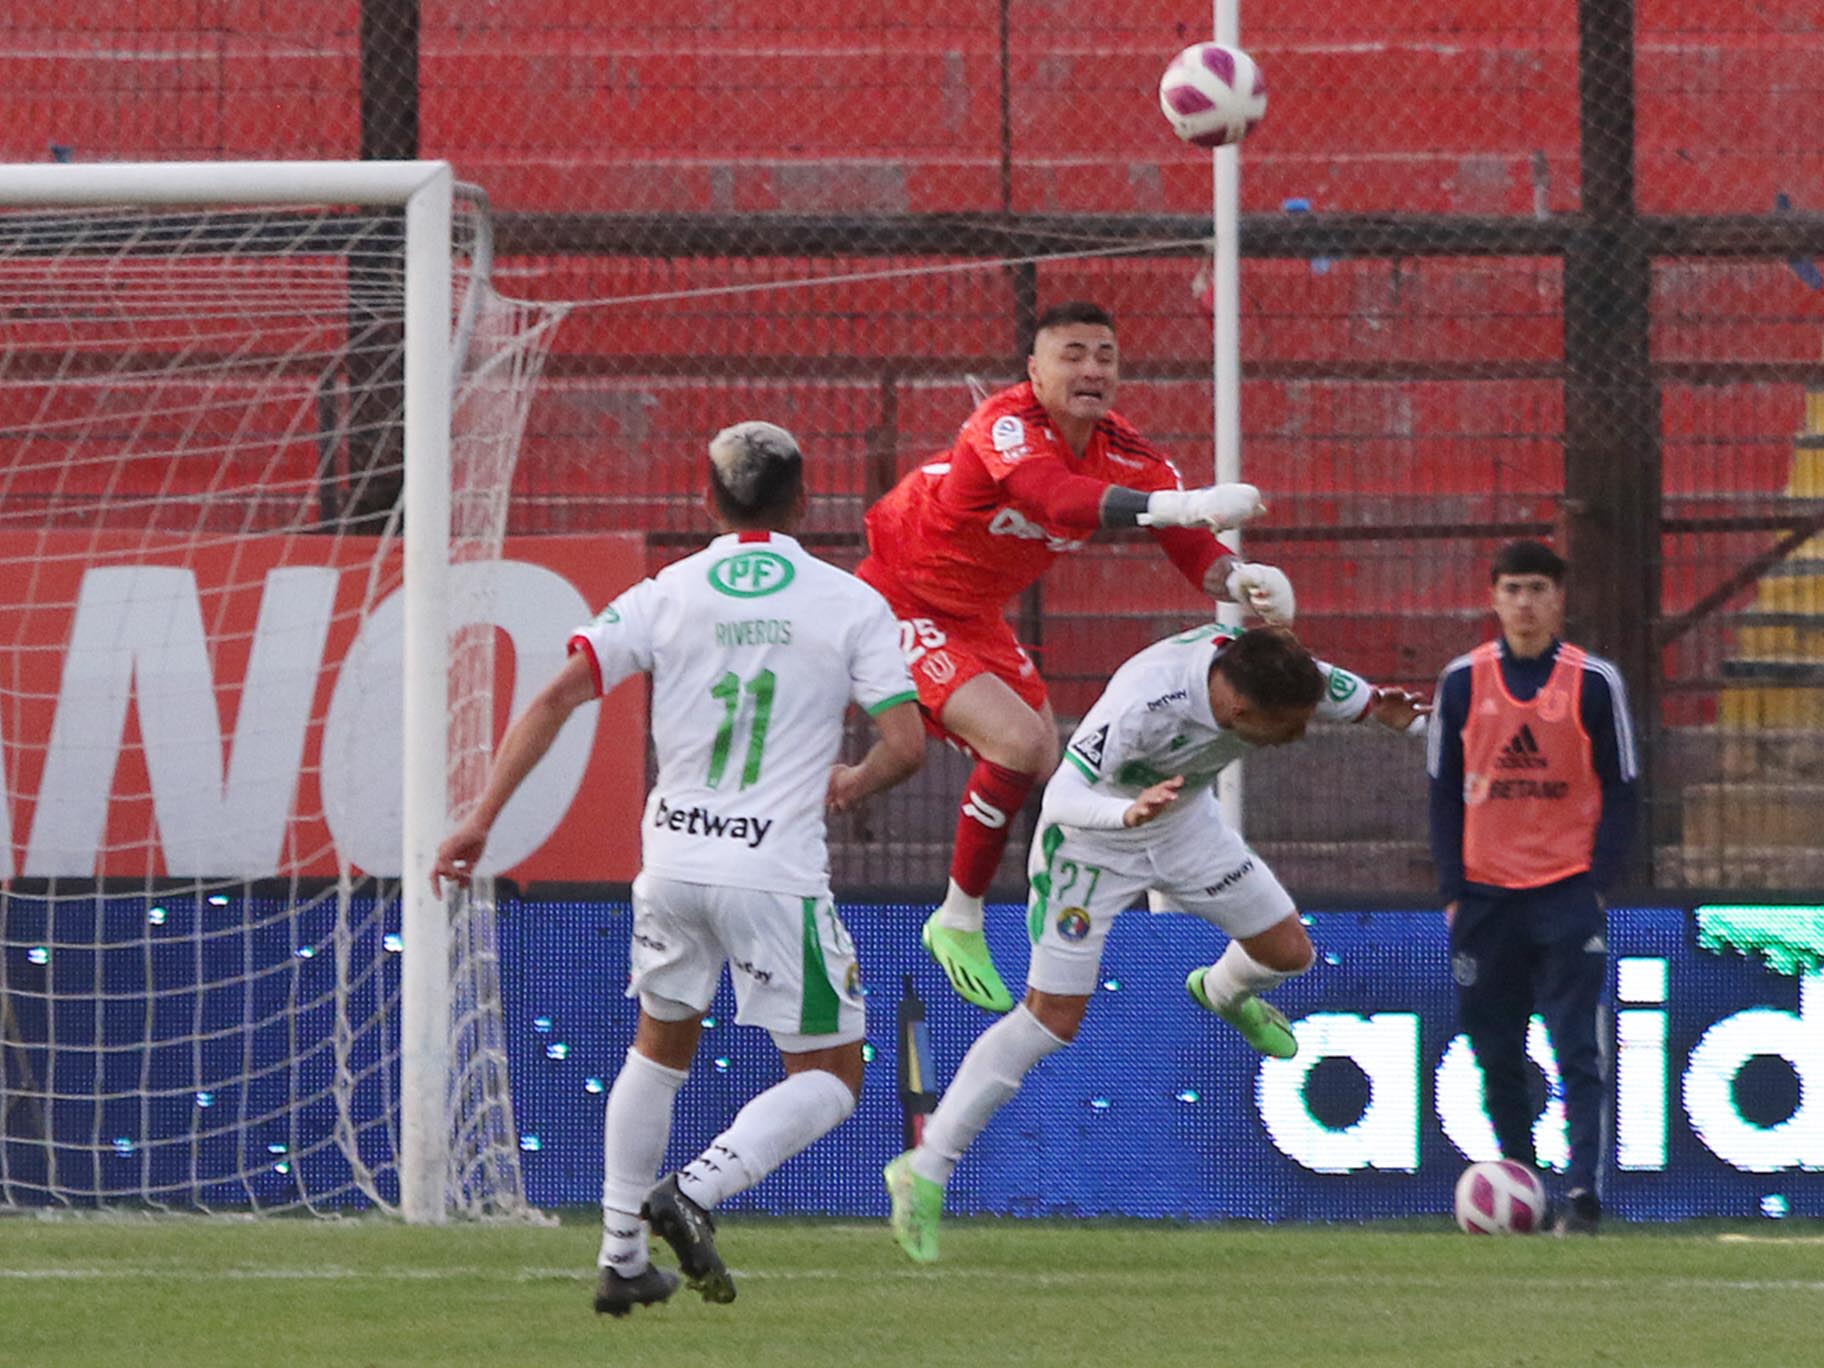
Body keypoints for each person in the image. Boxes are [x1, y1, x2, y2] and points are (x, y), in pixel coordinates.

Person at [431, 421, 926, 1314]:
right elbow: (907, 743)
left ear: (707, 502)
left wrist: (480, 818)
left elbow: (554, 696)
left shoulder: (667, 591)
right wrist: (852, 781)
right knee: (831, 1075)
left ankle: (620, 1255)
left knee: (658, 1051)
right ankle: (695, 1190)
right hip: (771, 872)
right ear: (806, 504)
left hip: (672, 863)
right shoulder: (849, 601)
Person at [879, 624, 1428, 1262]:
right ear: (1240, 712)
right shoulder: (1145, 704)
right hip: (1090, 843)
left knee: (1289, 953)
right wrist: (1127, 813)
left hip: (1183, 823)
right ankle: (926, 1168)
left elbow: (1343, 694)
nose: (1299, 735)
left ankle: (1221, 990)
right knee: (1051, 1020)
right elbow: (1060, 797)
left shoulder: (1270, 675)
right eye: (1289, 727)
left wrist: (1391, 719)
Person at [855, 299, 1298, 1016]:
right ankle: (958, 918)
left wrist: (1241, 580)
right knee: (1017, 741)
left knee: (1041, 760)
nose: (1092, 369)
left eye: (1105, 356)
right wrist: (1181, 507)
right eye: (1073, 354)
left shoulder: (1131, 454)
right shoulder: (1004, 425)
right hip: (898, 598)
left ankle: (1042, 897)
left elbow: (1195, 553)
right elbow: (1053, 498)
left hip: (974, 616)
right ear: (1034, 370)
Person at [1425, 539, 1638, 1236]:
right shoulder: (1462, 682)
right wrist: (1453, 889)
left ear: (1558, 600)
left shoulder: (1593, 682)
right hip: (1485, 899)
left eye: (1538, 589)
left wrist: (1598, 884)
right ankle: (1521, 1181)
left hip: (1565, 892)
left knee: (1577, 1043)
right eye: (1513, 589)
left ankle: (1581, 1192)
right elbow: (1441, 792)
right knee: (1495, 1051)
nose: (1524, 602)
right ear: (1494, 597)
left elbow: (1624, 788)